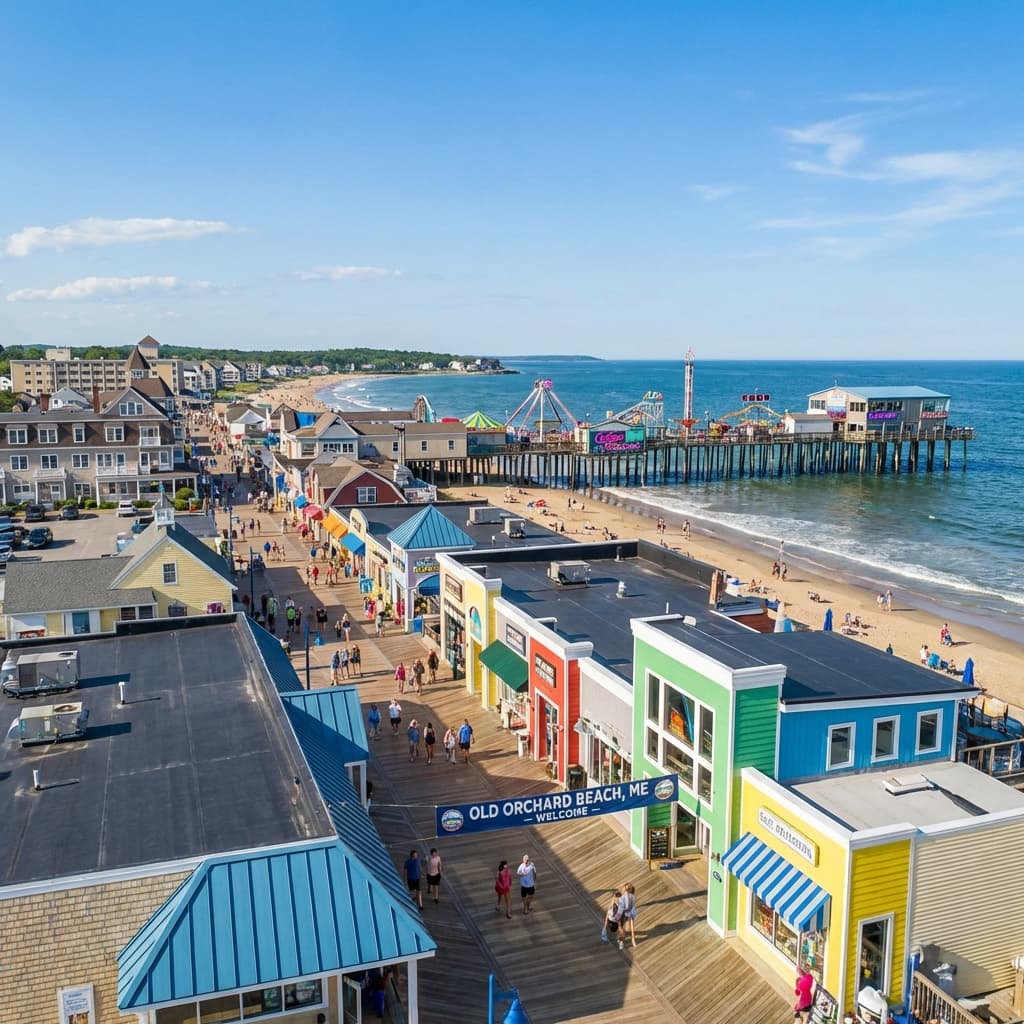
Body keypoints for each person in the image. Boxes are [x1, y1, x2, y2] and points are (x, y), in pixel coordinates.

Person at [618, 883, 637, 949]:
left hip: (628, 912)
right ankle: (621, 940)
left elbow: (631, 906)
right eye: (625, 889)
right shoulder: (622, 897)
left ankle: (623, 941)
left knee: (625, 928)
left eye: (627, 889)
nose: (626, 890)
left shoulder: (632, 897)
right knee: (622, 929)